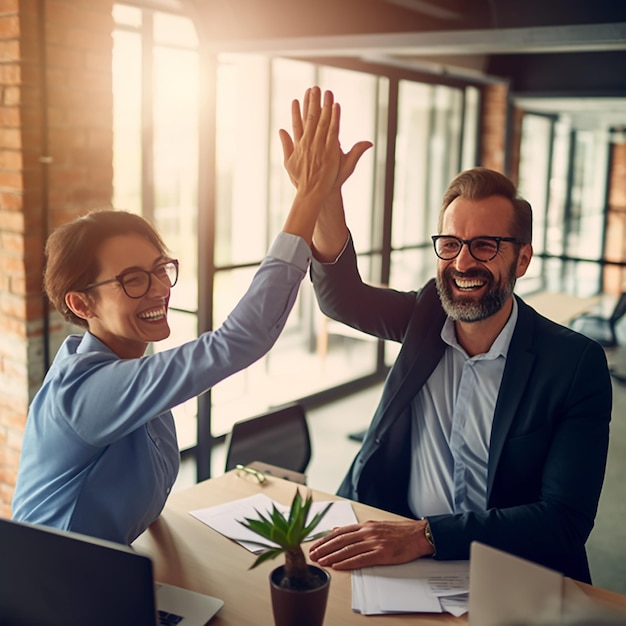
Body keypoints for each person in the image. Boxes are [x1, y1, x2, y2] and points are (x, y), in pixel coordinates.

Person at [11, 86, 371, 546]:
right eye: (133, 280)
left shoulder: (134, 370)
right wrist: (309, 195)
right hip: (50, 594)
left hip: (112, 571)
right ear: (82, 304)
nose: (160, 288)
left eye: (160, 269)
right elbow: (238, 340)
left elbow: (145, 504)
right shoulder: (87, 391)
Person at [280, 102, 611, 583]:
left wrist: (427, 535)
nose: (461, 263)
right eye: (451, 244)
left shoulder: (574, 364)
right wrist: (324, 196)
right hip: (399, 554)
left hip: (506, 571)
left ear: (522, 260)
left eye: (485, 245)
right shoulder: (425, 316)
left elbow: (564, 520)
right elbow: (342, 299)